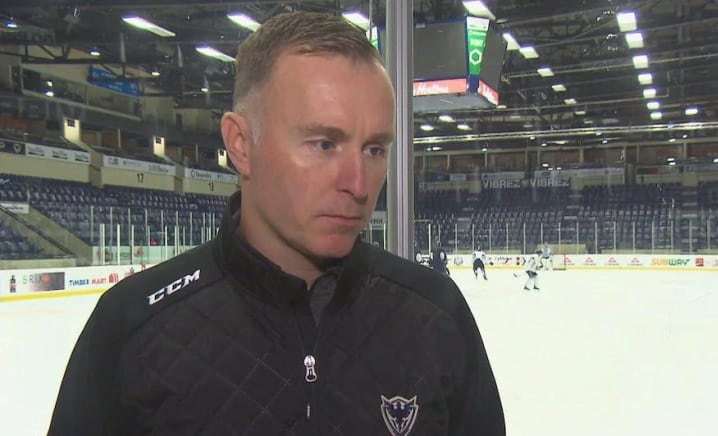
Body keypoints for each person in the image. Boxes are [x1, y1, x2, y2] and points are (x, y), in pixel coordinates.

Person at [48, 12, 504, 436]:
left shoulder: (437, 314)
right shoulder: (133, 324)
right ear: (241, 145)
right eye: (325, 144)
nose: (359, 184)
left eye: (375, 149)